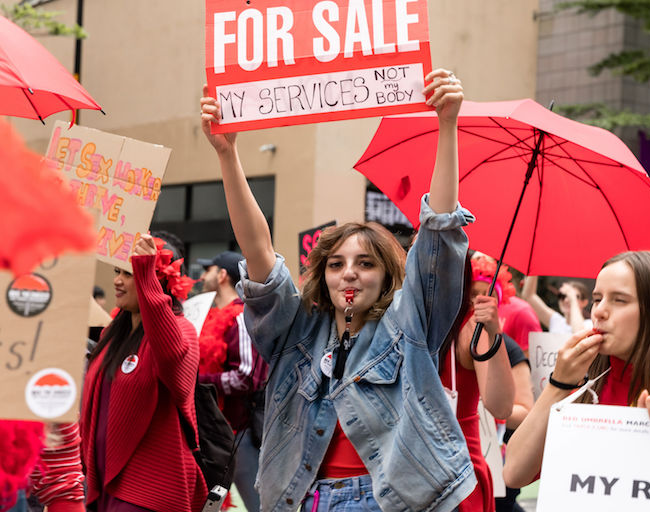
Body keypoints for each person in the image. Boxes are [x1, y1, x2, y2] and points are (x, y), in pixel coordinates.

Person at [201, 68, 476, 511]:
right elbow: (258, 250)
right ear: (322, 276)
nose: (348, 273)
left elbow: (439, 233)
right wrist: (227, 154)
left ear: (387, 277)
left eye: (365, 264)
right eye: (336, 264)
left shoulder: (409, 322)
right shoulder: (297, 331)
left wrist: (447, 125)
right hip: (303, 500)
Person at [503, 251, 650, 488]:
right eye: (597, 298)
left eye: (619, 300)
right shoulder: (585, 391)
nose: (598, 312)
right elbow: (514, 474)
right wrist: (558, 385)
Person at [80, 235, 207, 512]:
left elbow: (171, 356)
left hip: (147, 494)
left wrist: (146, 275)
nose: (117, 281)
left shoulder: (181, 332)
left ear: (156, 281)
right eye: (118, 271)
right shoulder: (113, 335)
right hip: (102, 488)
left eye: (129, 273)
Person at [439, 255, 524, 512]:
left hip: (456, 473)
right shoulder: (402, 317)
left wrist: (491, 330)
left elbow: (501, 407)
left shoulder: (470, 329)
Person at [197, 251, 268, 511]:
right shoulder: (210, 315)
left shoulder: (240, 316)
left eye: (209, 270)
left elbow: (247, 377)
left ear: (223, 275)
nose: (204, 276)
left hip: (239, 432)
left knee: (260, 505)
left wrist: (199, 383)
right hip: (213, 430)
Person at [520, 275, 591, 333]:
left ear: (584, 302)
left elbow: (579, 333)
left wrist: (573, 300)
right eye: (562, 296)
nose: (566, 300)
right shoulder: (556, 321)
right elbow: (528, 296)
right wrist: (534, 271)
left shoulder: (590, 324)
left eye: (575, 297)